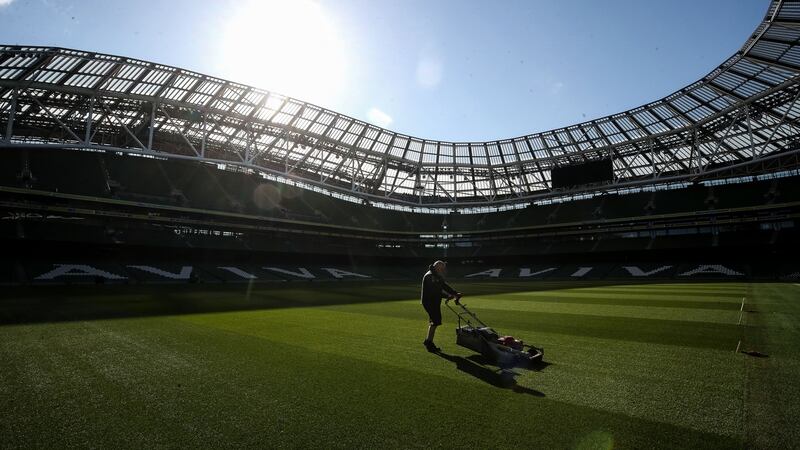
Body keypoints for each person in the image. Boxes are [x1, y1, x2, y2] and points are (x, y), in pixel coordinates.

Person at [421, 260, 462, 352]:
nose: (443, 270)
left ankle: (428, 341)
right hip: (429, 302)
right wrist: (447, 296)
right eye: (441, 268)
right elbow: (434, 291)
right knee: (435, 322)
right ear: (437, 267)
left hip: (434, 301)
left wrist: (455, 293)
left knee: (434, 321)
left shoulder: (436, 275)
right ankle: (429, 343)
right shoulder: (429, 276)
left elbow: (444, 286)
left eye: (443, 268)